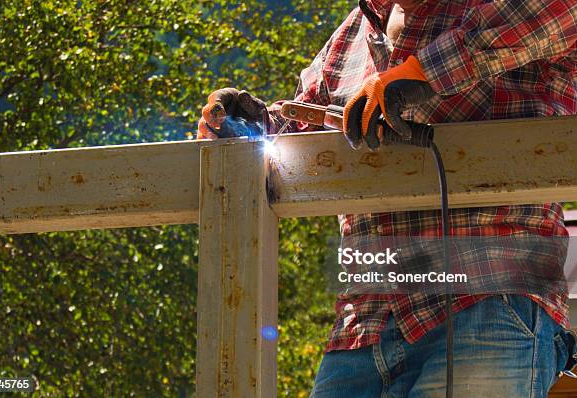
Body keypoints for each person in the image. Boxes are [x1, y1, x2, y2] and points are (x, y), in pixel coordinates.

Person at [198, 0, 577, 396]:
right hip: (364, 325)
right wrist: (253, 126)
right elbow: (303, 127)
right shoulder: (352, 36)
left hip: (487, 302)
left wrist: (422, 73)